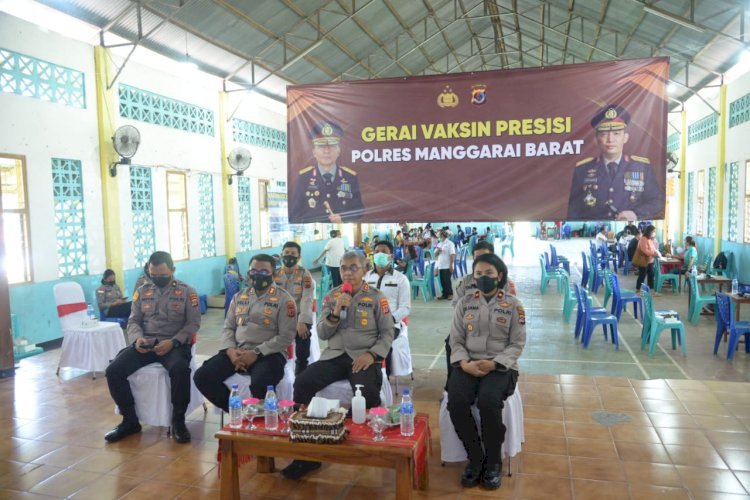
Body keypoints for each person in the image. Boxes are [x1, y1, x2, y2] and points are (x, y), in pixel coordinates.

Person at [282, 251, 394, 480]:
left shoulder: (376, 297)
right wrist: (335, 311)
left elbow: (387, 333)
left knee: (368, 395)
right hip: (334, 356)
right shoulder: (332, 295)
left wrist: (372, 355)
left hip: (363, 357)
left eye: (354, 268)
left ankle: (355, 446)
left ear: (364, 270)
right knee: (302, 382)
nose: (348, 273)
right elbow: (322, 332)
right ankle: (307, 455)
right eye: (343, 268)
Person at [104, 251, 201, 444]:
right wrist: (137, 339)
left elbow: (193, 324)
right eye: (153, 275)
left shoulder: (187, 292)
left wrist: (173, 342)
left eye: (162, 275)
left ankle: (178, 421)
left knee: (180, 369)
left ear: (172, 270)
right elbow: (133, 321)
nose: (157, 279)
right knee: (113, 370)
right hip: (146, 344)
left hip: (174, 344)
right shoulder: (142, 291)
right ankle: (130, 420)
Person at [448, 253, 526, 490]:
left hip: (501, 367)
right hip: (469, 364)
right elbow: (456, 340)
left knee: (489, 402)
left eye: (489, 273)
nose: (483, 278)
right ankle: (475, 458)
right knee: (456, 402)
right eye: (478, 274)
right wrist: (464, 364)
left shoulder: (513, 305)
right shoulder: (465, 303)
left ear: (499, 275)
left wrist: (495, 363)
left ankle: (493, 462)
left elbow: (517, 343)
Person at [194, 254, 296, 410]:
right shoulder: (239, 297)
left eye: (263, 272)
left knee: (261, 383)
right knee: (202, 376)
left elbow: (286, 336)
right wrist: (231, 351)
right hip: (237, 351)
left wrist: (256, 353)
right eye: (253, 271)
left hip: (269, 354)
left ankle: (260, 426)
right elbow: (228, 328)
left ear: (273, 274)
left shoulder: (285, 300)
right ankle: (239, 412)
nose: (257, 275)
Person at [567, 104, 662, 221]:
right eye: (604, 134)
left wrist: (636, 214)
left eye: (616, 133)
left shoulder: (642, 167)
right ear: (596, 139)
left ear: (625, 137)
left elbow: (656, 201)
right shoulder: (582, 169)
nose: (610, 139)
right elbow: (574, 211)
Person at [447, 240, 516, 391]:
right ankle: (450, 382)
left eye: (485, 258)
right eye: (477, 258)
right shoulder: (466, 281)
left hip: (496, 331)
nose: (482, 263)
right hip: (469, 326)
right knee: (451, 343)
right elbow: (456, 304)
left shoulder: (504, 284)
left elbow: (510, 309)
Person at [289, 121, 364, 223]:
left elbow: (359, 210)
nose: (327, 151)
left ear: (339, 150)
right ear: (314, 152)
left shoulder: (350, 177)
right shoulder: (304, 177)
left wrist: (343, 219)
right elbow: (295, 214)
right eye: (321, 146)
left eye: (332, 146)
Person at [364, 240, 411, 376]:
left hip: (391, 324)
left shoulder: (401, 279)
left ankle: (384, 379)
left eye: (384, 252)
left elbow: (405, 308)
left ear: (391, 256)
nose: (379, 254)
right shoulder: (367, 277)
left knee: (383, 343)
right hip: (367, 322)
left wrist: (388, 319)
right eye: (377, 252)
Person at [273, 242, 315, 375]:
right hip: (279, 316)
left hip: (298, 314)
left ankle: (301, 369)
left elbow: (307, 298)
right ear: (281, 255)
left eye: (293, 254)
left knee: (304, 333)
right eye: (286, 253)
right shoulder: (275, 274)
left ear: (298, 257)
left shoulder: (304, 274)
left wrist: (302, 320)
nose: (289, 256)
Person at [635, 224, 661, 295]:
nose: (654, 233)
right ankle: (638, 290)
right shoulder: (643, 239)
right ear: (649, 231)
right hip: (644, 260)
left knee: (651, 275)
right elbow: (644, 250)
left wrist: (656, 252)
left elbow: (653, 248)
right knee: (642, 275)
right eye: (653, 231)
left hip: (650, 260)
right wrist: (653, 254)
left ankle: (651, 291)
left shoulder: (649, 239)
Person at [434, 229, 456, 300]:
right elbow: (435, 255)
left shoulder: (450, 244)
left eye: (439, 235)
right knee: (442, 280)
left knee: (447, 280)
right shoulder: (439, 244)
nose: (438, 237)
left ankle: (450, 294)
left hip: (447, 265)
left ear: (442, 235)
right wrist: (438, 251)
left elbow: (452, 255)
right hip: (441, 265)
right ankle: (444, 294)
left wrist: (451, 265)